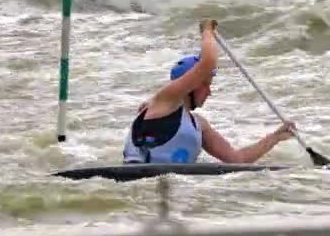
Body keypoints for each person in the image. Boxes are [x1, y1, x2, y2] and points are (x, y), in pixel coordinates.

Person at [123, 19, 296, 164]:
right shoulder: (163, 102)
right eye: (206, 84)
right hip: (137, 183)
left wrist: (274, 138)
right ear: (191, 84)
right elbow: (208, 63)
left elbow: (237, 159)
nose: (209, 92)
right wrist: (206, 31)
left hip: (170, 191)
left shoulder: (199, 125)